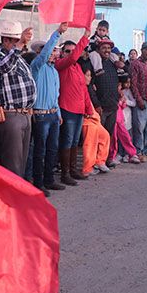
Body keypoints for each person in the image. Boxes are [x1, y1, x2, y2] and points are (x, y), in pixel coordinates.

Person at [0, 21, 36, 176]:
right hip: (11, 113)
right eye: (16, 41)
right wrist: (18, 46)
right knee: (13, 162)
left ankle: (18, 195)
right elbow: (5, 67)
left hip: (25, 113)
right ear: (6, 40)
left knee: (21, 161)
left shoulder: (18, 58)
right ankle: (12, 197)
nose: (19, 44)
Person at [30, 23, 68, 194]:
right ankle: (38, 183)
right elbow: (44, 56)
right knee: (40, 150)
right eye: (51, 50)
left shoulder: (53, 71)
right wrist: (58, 33)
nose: (54, 53)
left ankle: (49, 179)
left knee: (52, 149)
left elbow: (56, 95)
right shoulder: (37, 67)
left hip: (52, 115)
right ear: (40, 52)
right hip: (40, 115)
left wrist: (58, 113)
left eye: (55, 50)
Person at [56, 27, 92, 186]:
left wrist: (88, 108)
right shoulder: (61, 65)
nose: (71, 53)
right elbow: (72, 58)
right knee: (67, 141)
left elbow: (84, 89)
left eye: (72, 50)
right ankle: (65, 173)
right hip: (67, 109)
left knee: (75, 141)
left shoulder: (77, 67)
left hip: (78, 110)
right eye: (67, 51)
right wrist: (84, 38)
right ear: (62, 53)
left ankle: (72, 170)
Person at [90, 39, 120, 165]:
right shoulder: (94, 64)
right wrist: (96, 104)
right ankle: (96, 162)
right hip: (100, 107)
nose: (107, 50)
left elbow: (124, 78)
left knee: (109, 135)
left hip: (113, 105)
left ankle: (106, 159)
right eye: (104, 48)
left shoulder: (113, 64)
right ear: (98, 49)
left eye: (109, 48)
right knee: (98, 137)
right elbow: (90, 86)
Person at [81, 66, 112, 176]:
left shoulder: (89, 88)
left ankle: (100, 161)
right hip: (87, 120)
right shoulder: (80, 87)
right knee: (90, 144)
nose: (89, 78)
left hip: (94, 119)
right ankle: (87, 168)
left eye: (90, 75)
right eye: (87, 75)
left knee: (105, 136)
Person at [109, 73, 140, 164]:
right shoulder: (114, 94)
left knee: (126, 137)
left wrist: (123, 101)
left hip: (122, 119)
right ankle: (113, 156)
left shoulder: (124, 94)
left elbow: (125, 105)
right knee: (114, 139)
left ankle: (131, 154)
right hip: (115, 119)